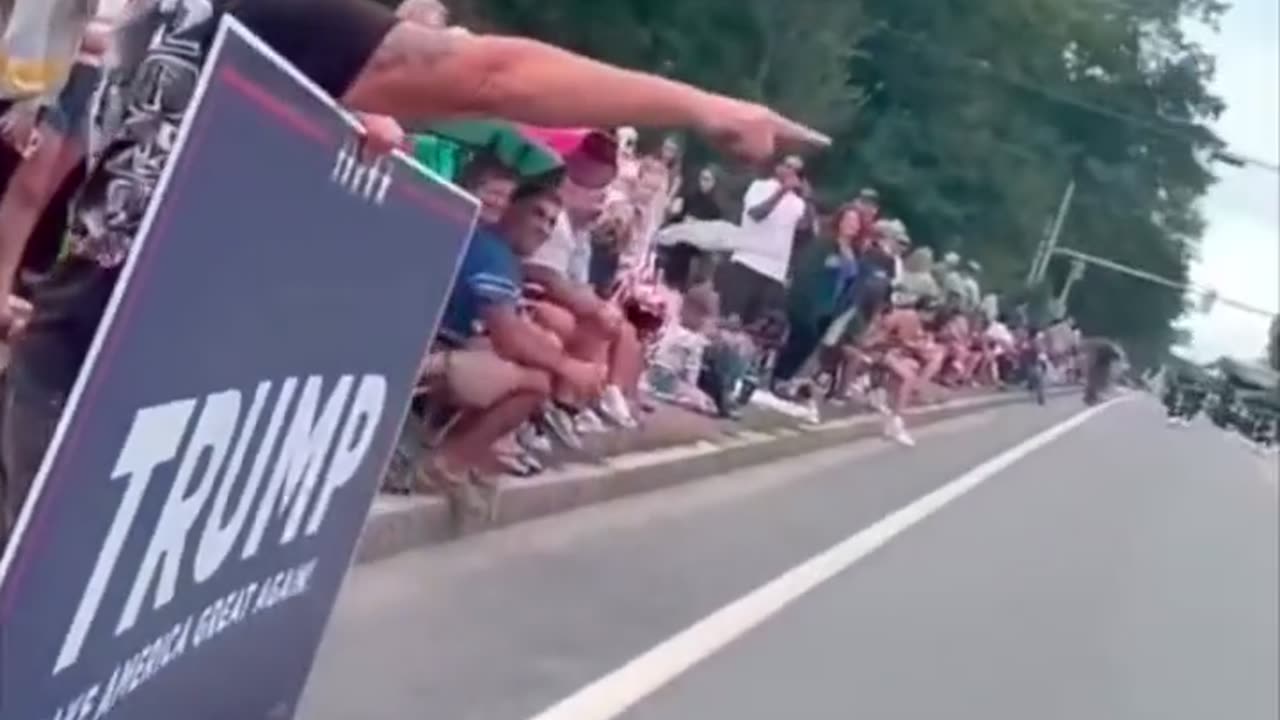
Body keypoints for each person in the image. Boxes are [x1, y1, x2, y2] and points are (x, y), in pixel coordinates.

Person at [0, 0, 828, 546]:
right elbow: (493, 75)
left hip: (111, 358)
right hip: (114, 385)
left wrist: (333, 118)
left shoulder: (180, 15)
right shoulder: (272, 9)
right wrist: (703, 107)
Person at [773, 203, 861, 393]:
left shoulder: (854, 252)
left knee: (809, 345)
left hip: (830, 308)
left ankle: (787, 379)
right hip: (808, 302)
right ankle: (778, 377)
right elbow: (806, 269)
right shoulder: (825, 243)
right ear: (839, 221)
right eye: (848, 220)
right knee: (800, 340)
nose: (852, 225)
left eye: (855, 221)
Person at [718, 155, 810, 326]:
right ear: (778, 167)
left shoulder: (798, 203)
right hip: (747, 262)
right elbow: (756, 215)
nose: (791, 172)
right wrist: (781, 191)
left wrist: (806, 197)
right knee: (729, 321)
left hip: (774, 273)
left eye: (797, 171)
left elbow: (805, 230)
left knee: (753, 329)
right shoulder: (759, 186)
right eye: (788, 166)